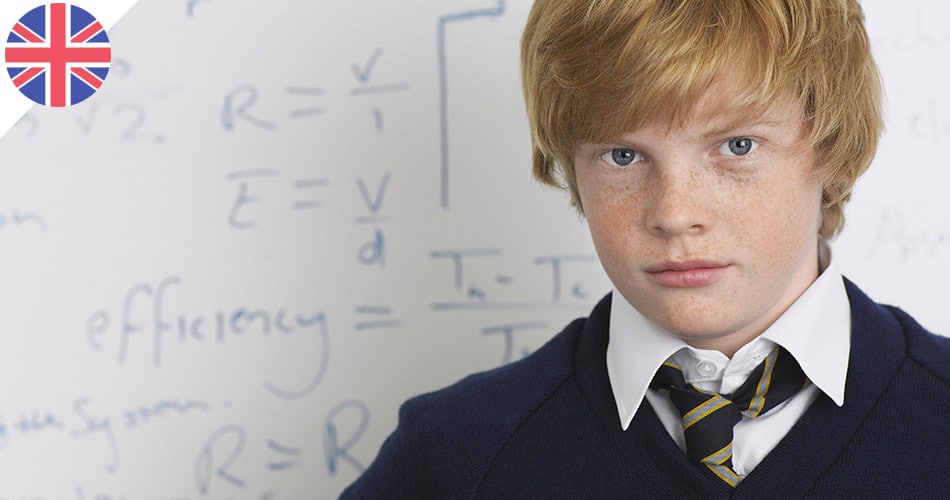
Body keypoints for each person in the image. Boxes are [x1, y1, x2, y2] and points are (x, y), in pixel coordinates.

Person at [342, 0, 950, 497]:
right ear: (572, 171)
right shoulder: (455, 454)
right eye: (623, 155)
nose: (675, 214)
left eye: (737, 146)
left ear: (834, 154)